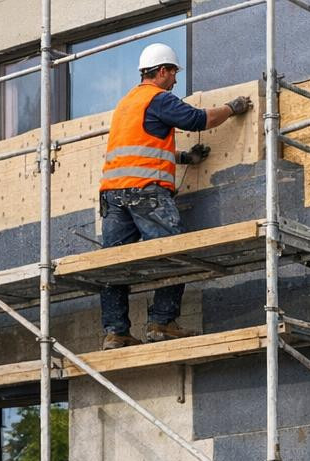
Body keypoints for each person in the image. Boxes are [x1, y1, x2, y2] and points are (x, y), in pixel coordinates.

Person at [98, 42, 251, 349]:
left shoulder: (127, 103)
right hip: (145, 192)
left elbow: (143, 147)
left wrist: (184, 158)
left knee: (115, 265)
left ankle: (116, 332)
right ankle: (162, 323)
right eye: (174, 74)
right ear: (163, 71)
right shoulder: (158, 98)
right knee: (174, 250)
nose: (176, 82)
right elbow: (198, 120)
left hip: (114, 195)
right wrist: (231, 109)